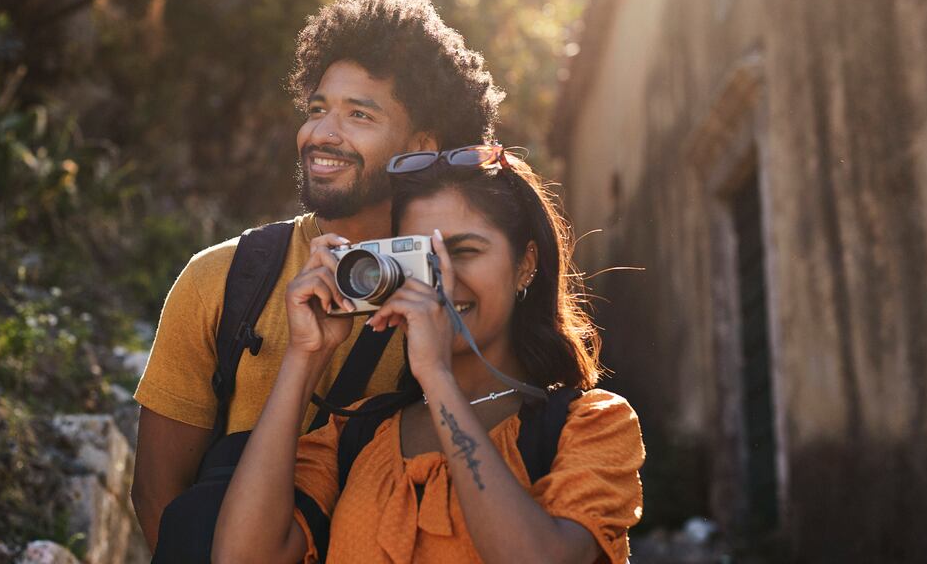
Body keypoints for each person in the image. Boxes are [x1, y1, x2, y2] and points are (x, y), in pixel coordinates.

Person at [131, 0, 506, 551]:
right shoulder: (222, 280)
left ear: (423, 147)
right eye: (317, 109)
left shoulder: (463, 295)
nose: (320, 134)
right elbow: (158, 497)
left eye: (359, 115)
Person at [214, 146, 645, 563]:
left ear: (525, 265)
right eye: (421, 260)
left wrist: (436, 375)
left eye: (463, 252)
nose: (440, 283)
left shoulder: (592, 425)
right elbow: (240, 557)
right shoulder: (355, 434)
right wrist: (305, 355)